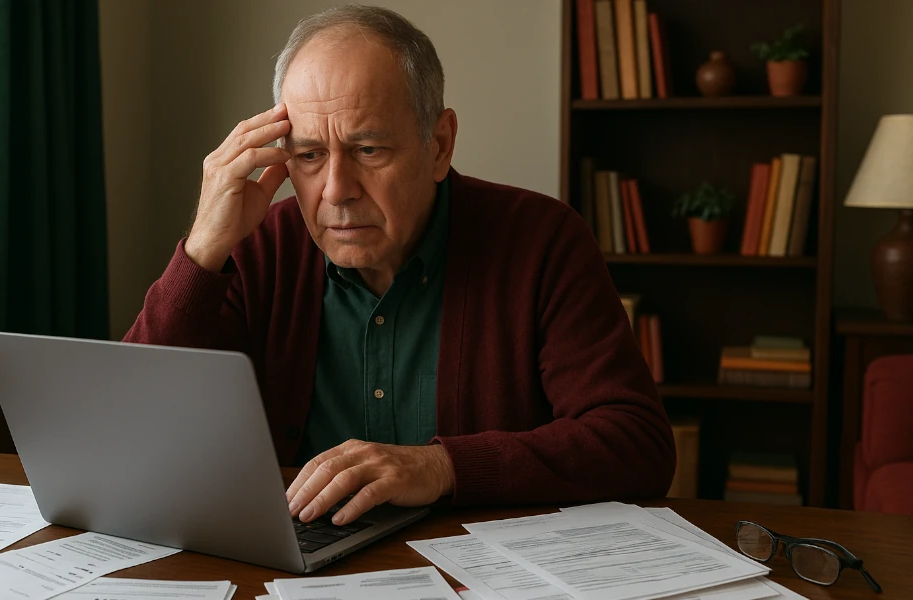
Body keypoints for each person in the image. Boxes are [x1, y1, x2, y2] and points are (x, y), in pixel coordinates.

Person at [124, 5, 675, 527]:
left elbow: (635, 442)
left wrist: (438, 467)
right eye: (310, 155)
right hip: (295, 567)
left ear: (439, 145)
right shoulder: (255, 247)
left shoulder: (542, 240)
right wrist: (201, 251)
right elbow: (126, 428)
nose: (336, 191)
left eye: (368, 150)